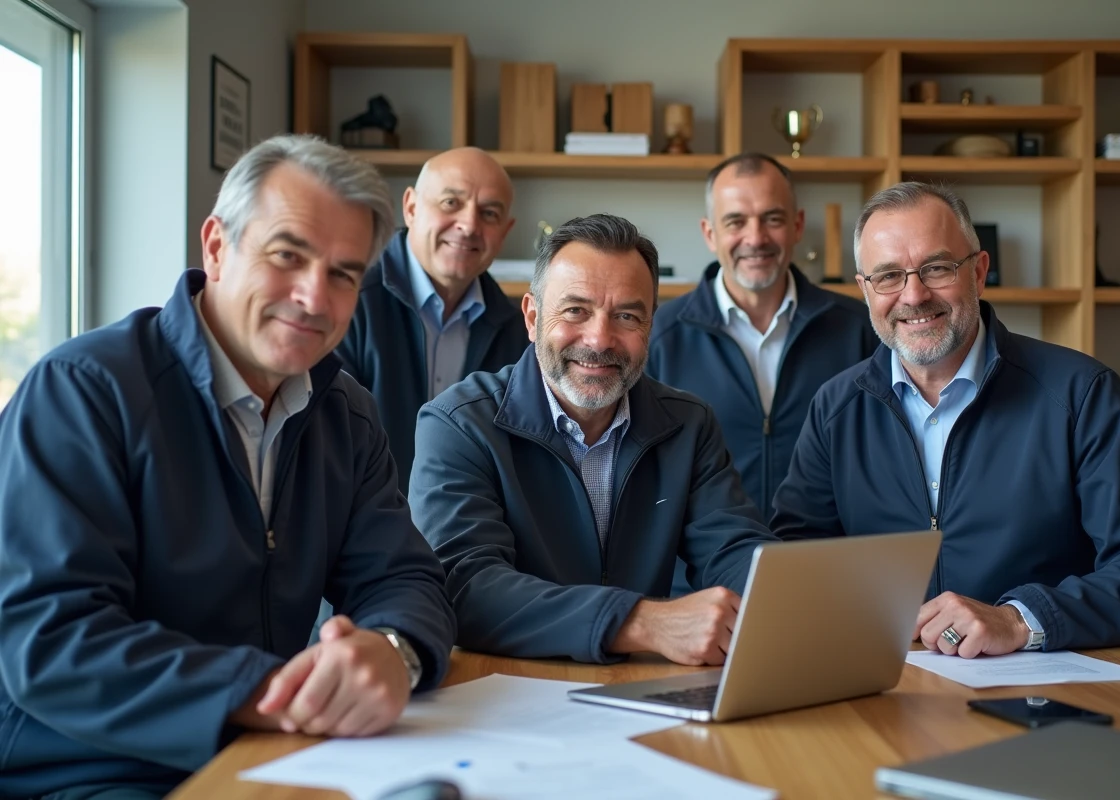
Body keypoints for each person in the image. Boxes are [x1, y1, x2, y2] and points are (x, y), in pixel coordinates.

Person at [0, 135, 456, 799]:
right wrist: (270, 691)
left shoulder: (345, 412)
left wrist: (394, 652)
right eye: (287, 256)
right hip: (83, 768)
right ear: (216, 246)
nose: (313, 297)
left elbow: (405, 574)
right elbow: (53, 640)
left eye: (342, 274)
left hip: (266, 749)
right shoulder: (82, 391)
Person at [770, 181, 1120, 657]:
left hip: (1048, 695)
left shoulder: (1082, 395)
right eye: (888, 276)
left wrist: (1019, 619)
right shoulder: (835, 408)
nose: (913, 295)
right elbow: (795, 566)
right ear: (865, 290)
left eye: (936, 268)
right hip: (887, 687)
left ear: (978, 272)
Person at [408, 213, 779, 666]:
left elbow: (734, 550)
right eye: (575, 310)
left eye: (626, 315)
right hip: (502, 689)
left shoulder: (689, 424)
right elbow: (463, 585)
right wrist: (640, 622)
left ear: (649, 328)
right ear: (532, 316)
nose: (599, 339)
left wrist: (776, 600)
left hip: (637, 688)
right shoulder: (459, 422)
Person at [648, 153, 877, 516]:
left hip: (825, 562)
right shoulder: (659, 336)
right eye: (736, 221)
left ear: (797, 225)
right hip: (704, 569)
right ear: (710, 233)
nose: (756, 238)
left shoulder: (858, 328)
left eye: (772, 219)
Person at [337, 147, 528, 489]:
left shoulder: (519, 332)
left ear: (505, 231)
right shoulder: (348, 301)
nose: (469, 225)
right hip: (358, 526)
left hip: (465, 529)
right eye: (451, 203)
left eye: (489, 213)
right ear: (410, 207)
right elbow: (327, 443)